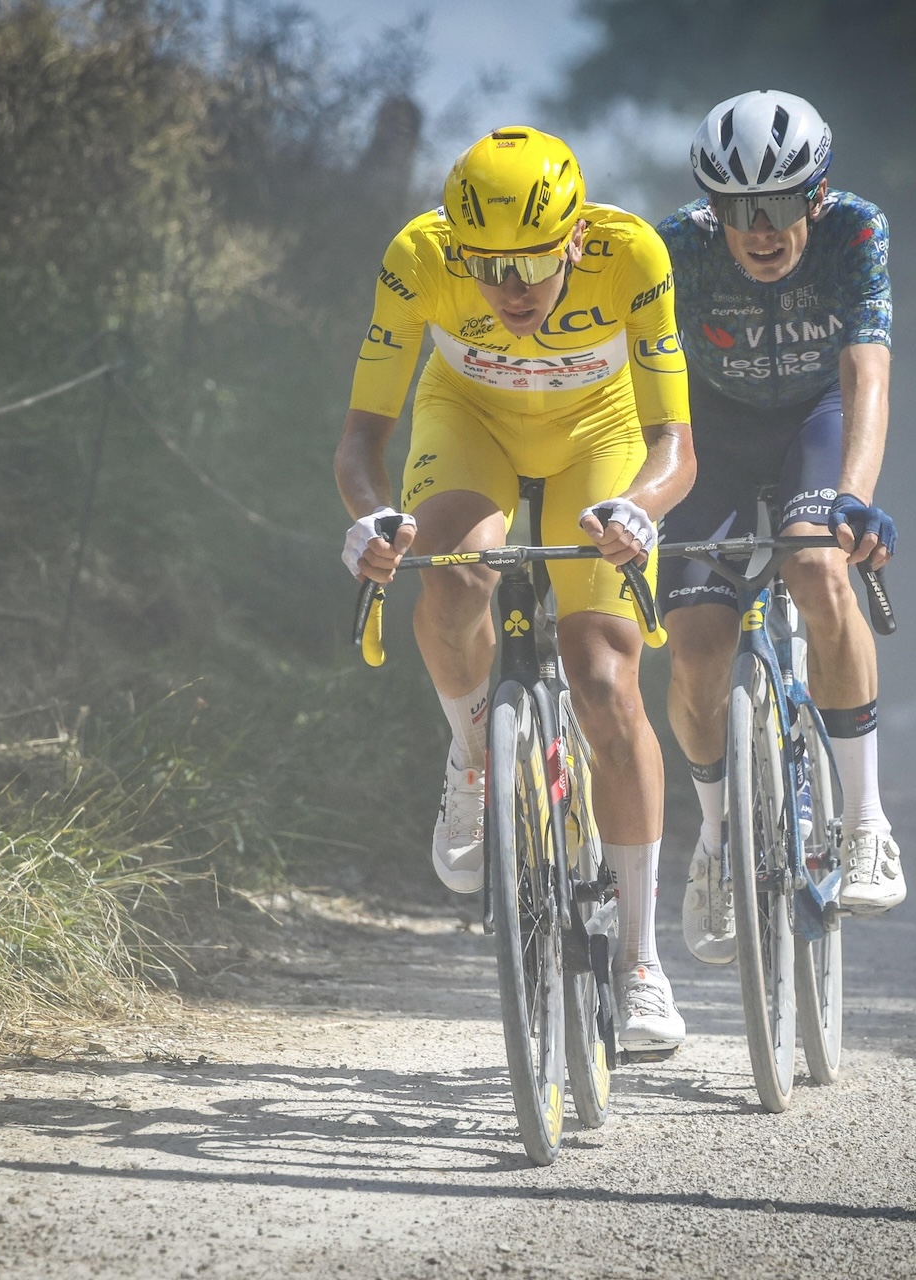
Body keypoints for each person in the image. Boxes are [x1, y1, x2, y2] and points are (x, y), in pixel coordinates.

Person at [334, 127, 697, 1051]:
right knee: (455, 579)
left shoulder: (633, 256)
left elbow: (673, 446)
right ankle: (472, 761)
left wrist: (643, 510)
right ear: (458, 248)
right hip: (471, 425)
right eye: (488, 267)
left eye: (534, 262)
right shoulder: (419, 257)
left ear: (577, 238)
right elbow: (360, 440)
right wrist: (375, 521)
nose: (512, 287)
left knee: (606, 679)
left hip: (600, 440)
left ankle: (643, 962)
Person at [653, 90, 905, 966]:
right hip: (711, 434)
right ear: (709, 206)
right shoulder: (676, 244)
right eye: (736, 209)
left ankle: (868, 821)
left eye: (781, 204)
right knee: (692, 645)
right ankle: (718, 844)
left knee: (816, 568)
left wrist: (853, 496)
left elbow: (867, 372)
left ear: (818, 196)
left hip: (815, 416)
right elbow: (641, 380)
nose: (760, 229)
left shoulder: (856, 231)